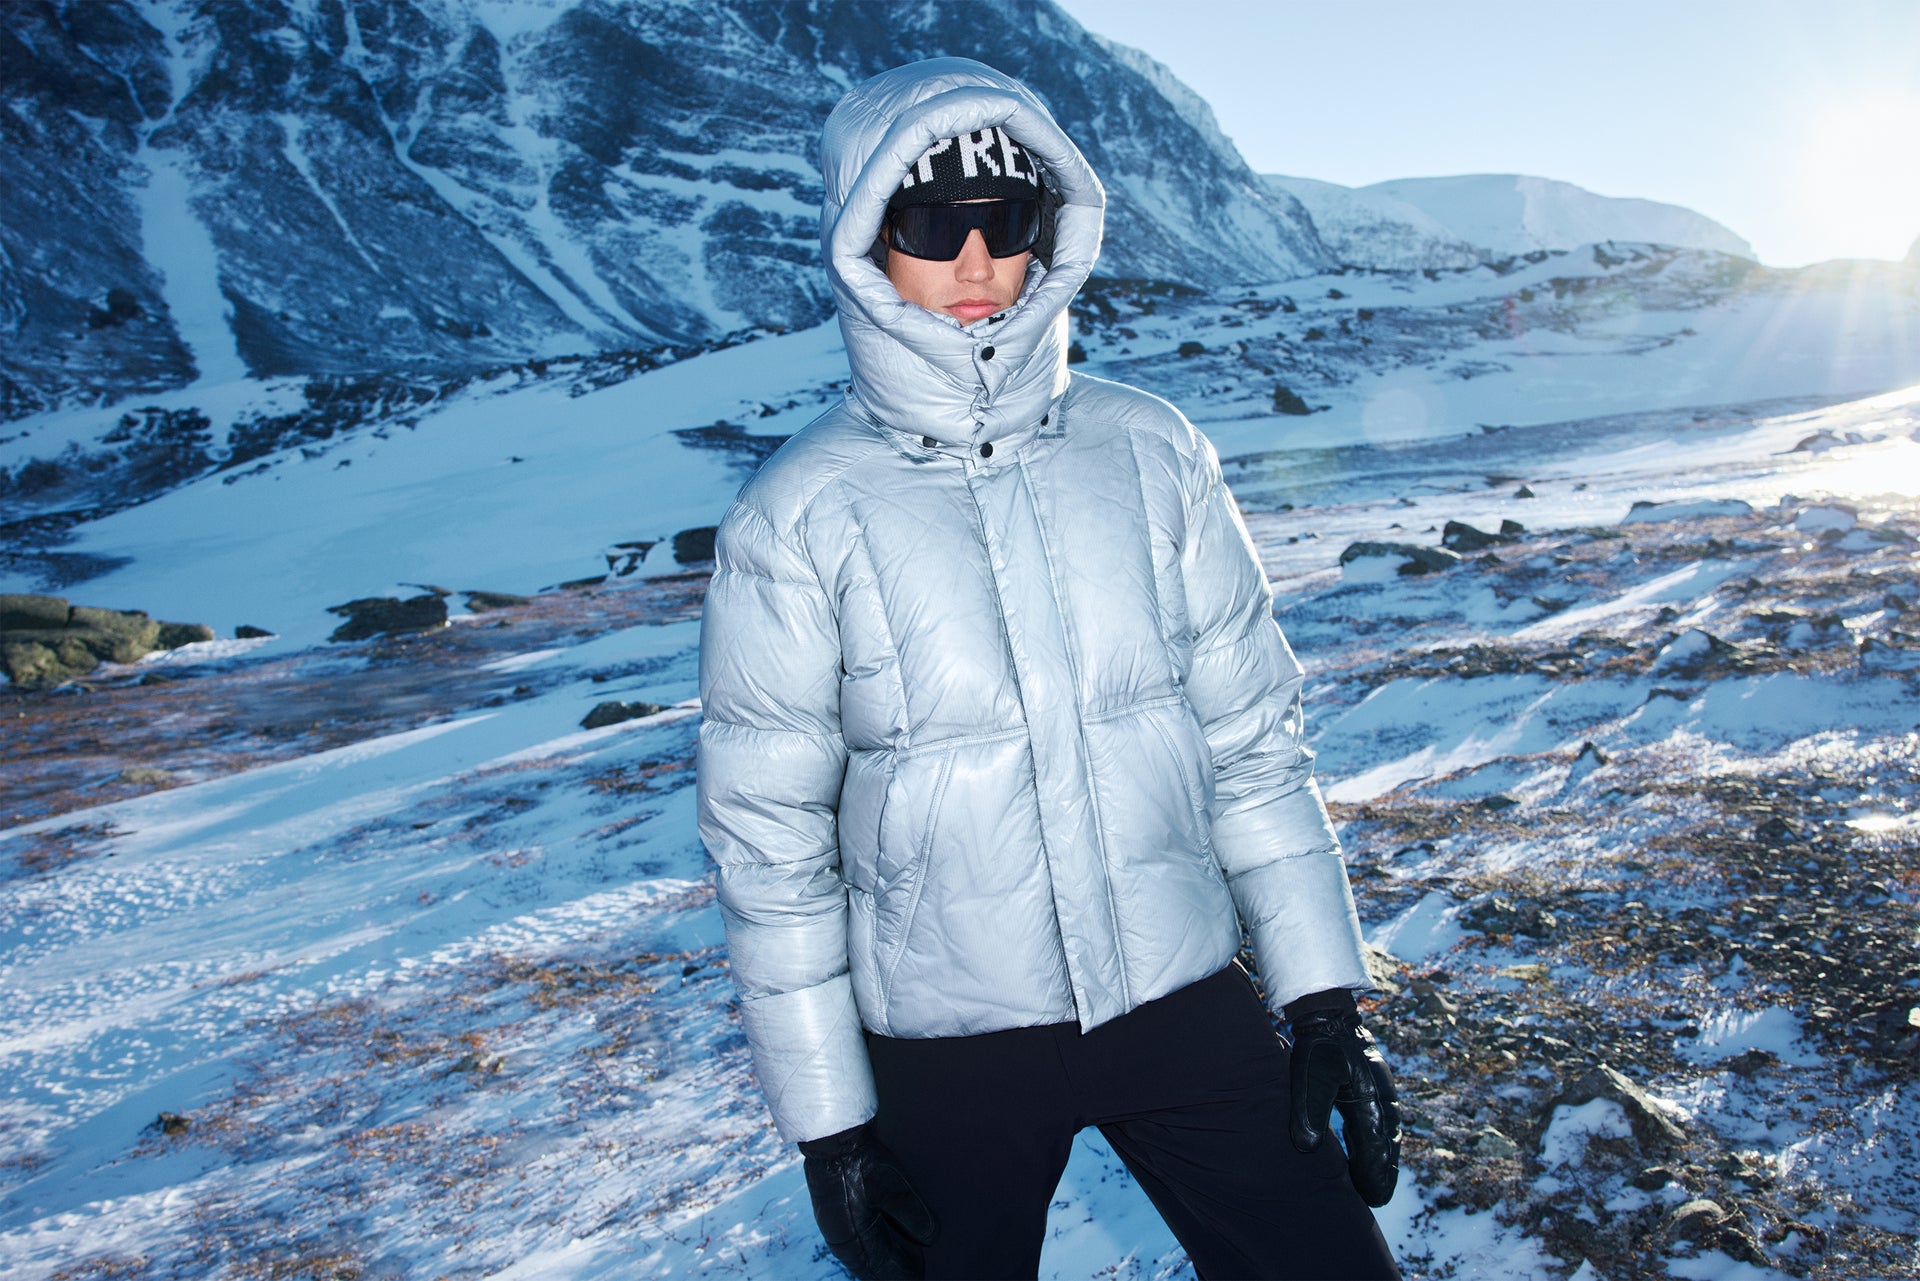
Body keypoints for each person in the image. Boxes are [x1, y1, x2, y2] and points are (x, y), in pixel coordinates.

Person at [696, 56, 1401, 1281]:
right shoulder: (797, 514)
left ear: (1050, 231)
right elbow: (771, 845)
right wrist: (833, 1127)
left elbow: (1250, 743)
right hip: (945, 1044)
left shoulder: (1151, 451)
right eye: (931, 223)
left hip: (1179, 991)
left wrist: (1323, 1001)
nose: (974, 265)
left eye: (1005, 221)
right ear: (866, 238)